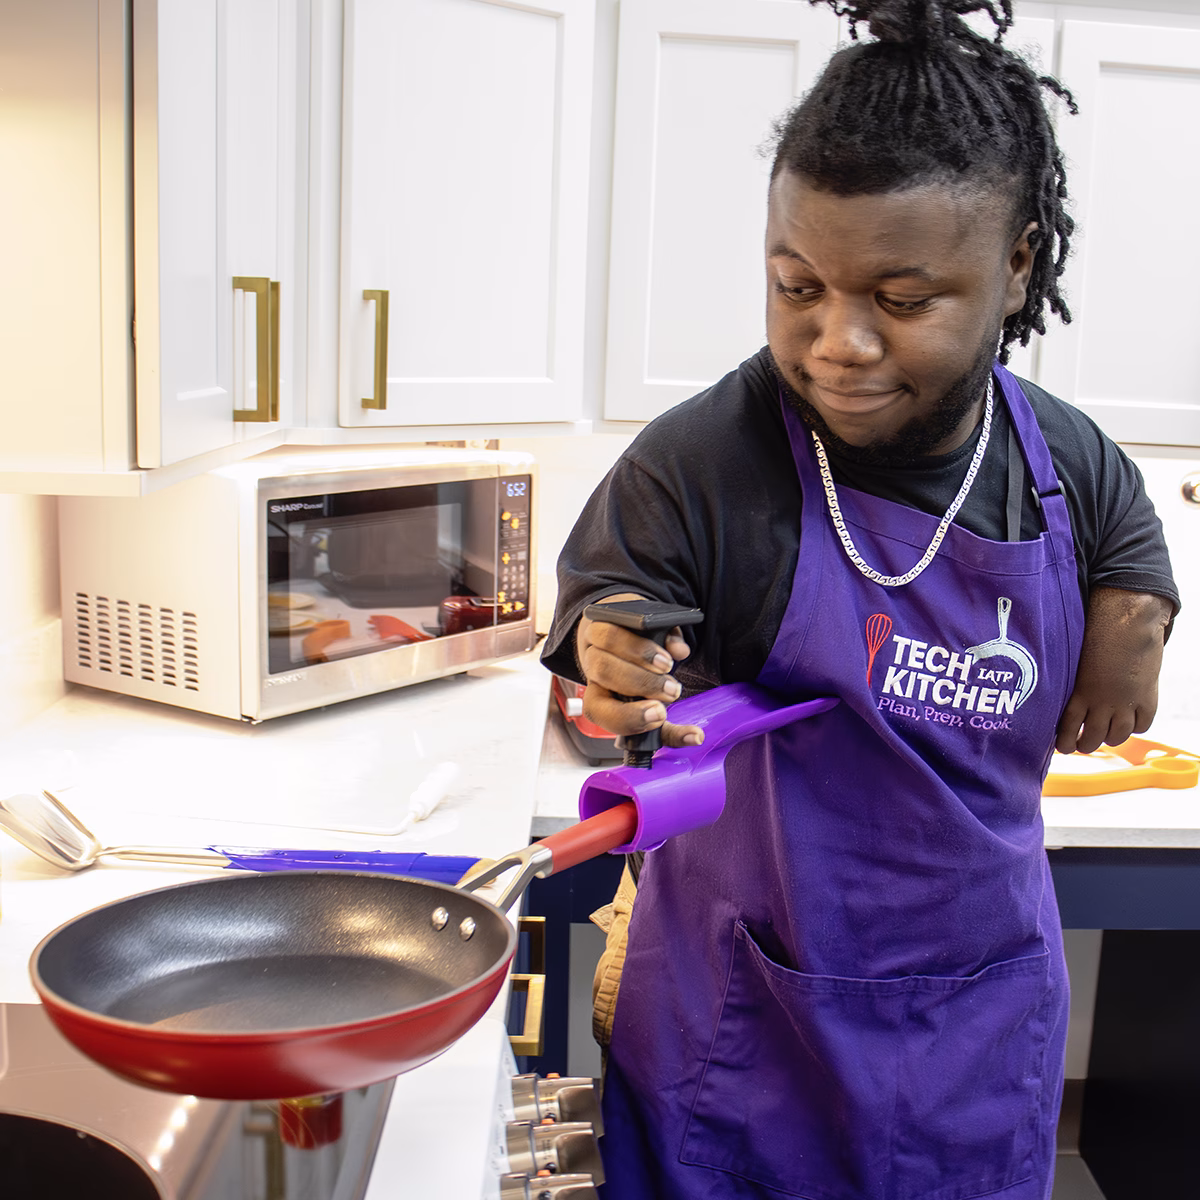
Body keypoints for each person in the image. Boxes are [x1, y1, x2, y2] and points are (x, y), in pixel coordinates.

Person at [541, 2, 1180, 1197]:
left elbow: (1131, 542)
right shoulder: (708, 459)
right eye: (797, 286)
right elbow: (610, 603)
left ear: (1018, 265)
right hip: (743, 1024)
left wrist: (1136, 612)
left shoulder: (1063, 459)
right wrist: (614, 649)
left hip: (977, 1019)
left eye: (900, 300)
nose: (837, 342)